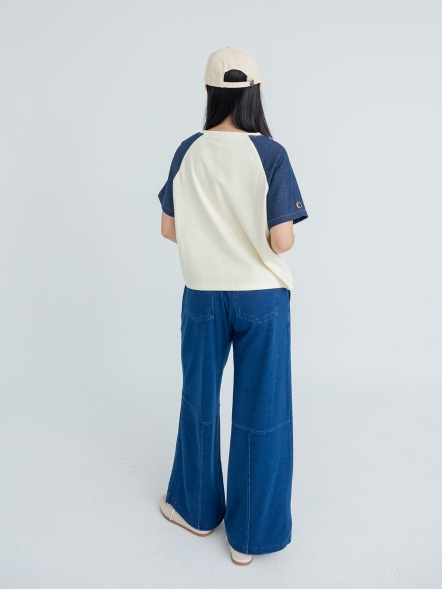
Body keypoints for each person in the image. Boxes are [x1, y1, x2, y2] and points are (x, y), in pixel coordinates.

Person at [157, 46, 309, 566]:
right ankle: (250, 538)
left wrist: (211, 240)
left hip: (202, 293)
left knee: (199, 401)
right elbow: (282, 241)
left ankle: (196, 512)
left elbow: (169, 229)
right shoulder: (271, 154)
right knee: (263, 411)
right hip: (262, 298)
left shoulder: (188, 151)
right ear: (255, 93)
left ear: (208, 92)